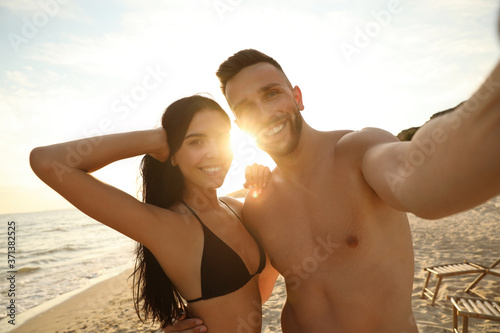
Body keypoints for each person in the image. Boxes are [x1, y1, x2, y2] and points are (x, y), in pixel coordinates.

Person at [168, 49, 500, 333]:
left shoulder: (358, 150)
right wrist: (195, 321)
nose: (265, 112)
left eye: (271, 94)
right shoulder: (259, 202)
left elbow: (421, 181)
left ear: (296, 97)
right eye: (246, 108)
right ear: (240, 127)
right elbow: (256, 293)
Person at [29, 95, 278, 332]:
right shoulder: (169, 227)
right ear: (172, 156)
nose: (215, 152)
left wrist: (264, 193)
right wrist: (156, 140)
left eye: (221, 138)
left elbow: (257, 296)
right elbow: (47, 161)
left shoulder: (235, 207)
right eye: (196, 141)